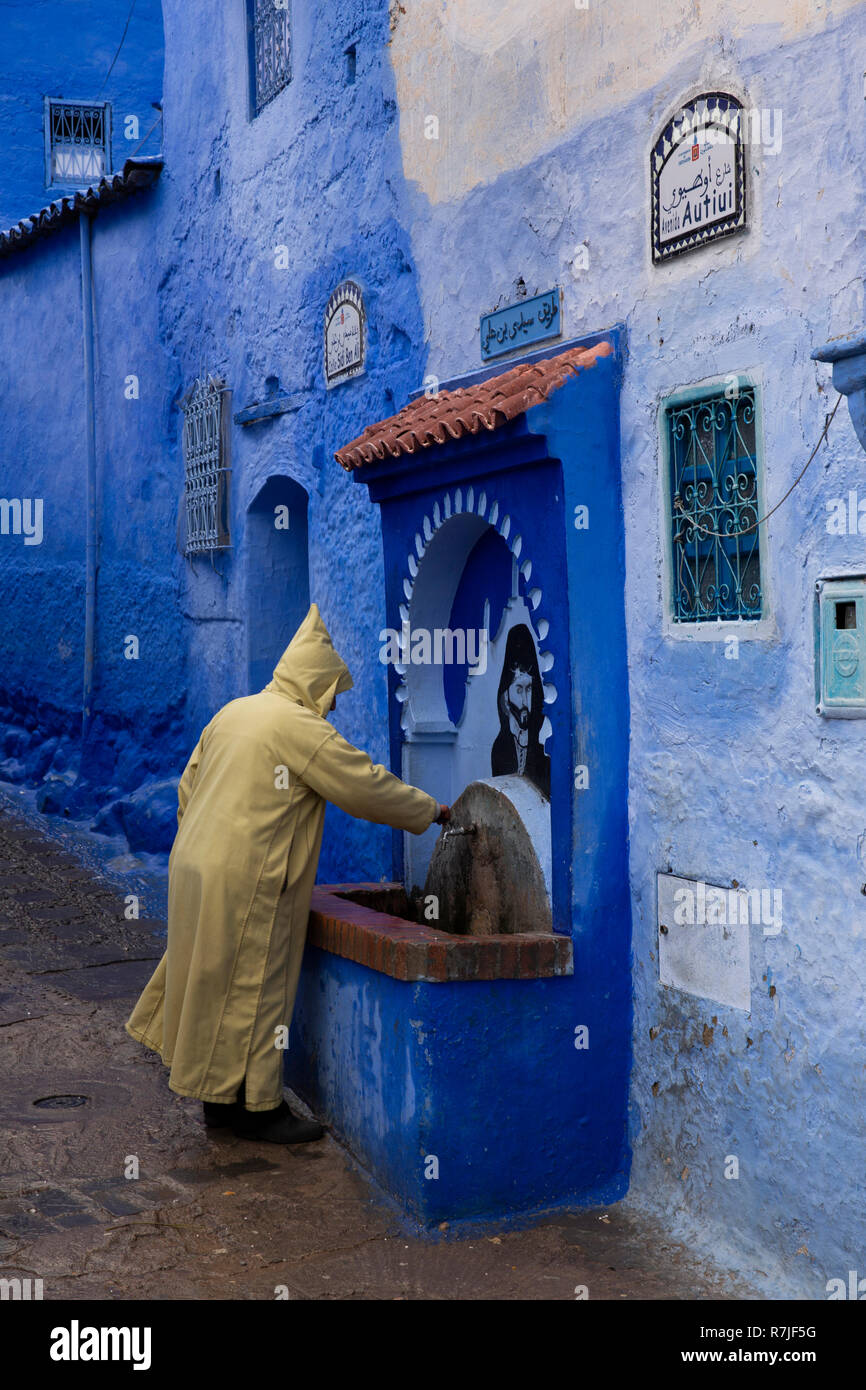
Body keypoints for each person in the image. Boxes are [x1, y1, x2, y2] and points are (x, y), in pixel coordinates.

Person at [124, 603, 450, 1145]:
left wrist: (202, 846)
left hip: (193, 866)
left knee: (210, 980)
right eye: (332, 693)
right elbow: (363, 786)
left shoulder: (234, 711)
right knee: (256, 985)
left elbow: (188, 787)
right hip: (246, 873)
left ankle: (217, 1100)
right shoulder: (299, 727)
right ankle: (259, 1108)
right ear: (316, 682)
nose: (333, 705)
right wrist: (431, 811)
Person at [490, 623, 551, 799]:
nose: (525, 701)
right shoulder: (500, 748)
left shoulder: (543, 749)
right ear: (506, 695)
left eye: (529, 689)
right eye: (518, 690)